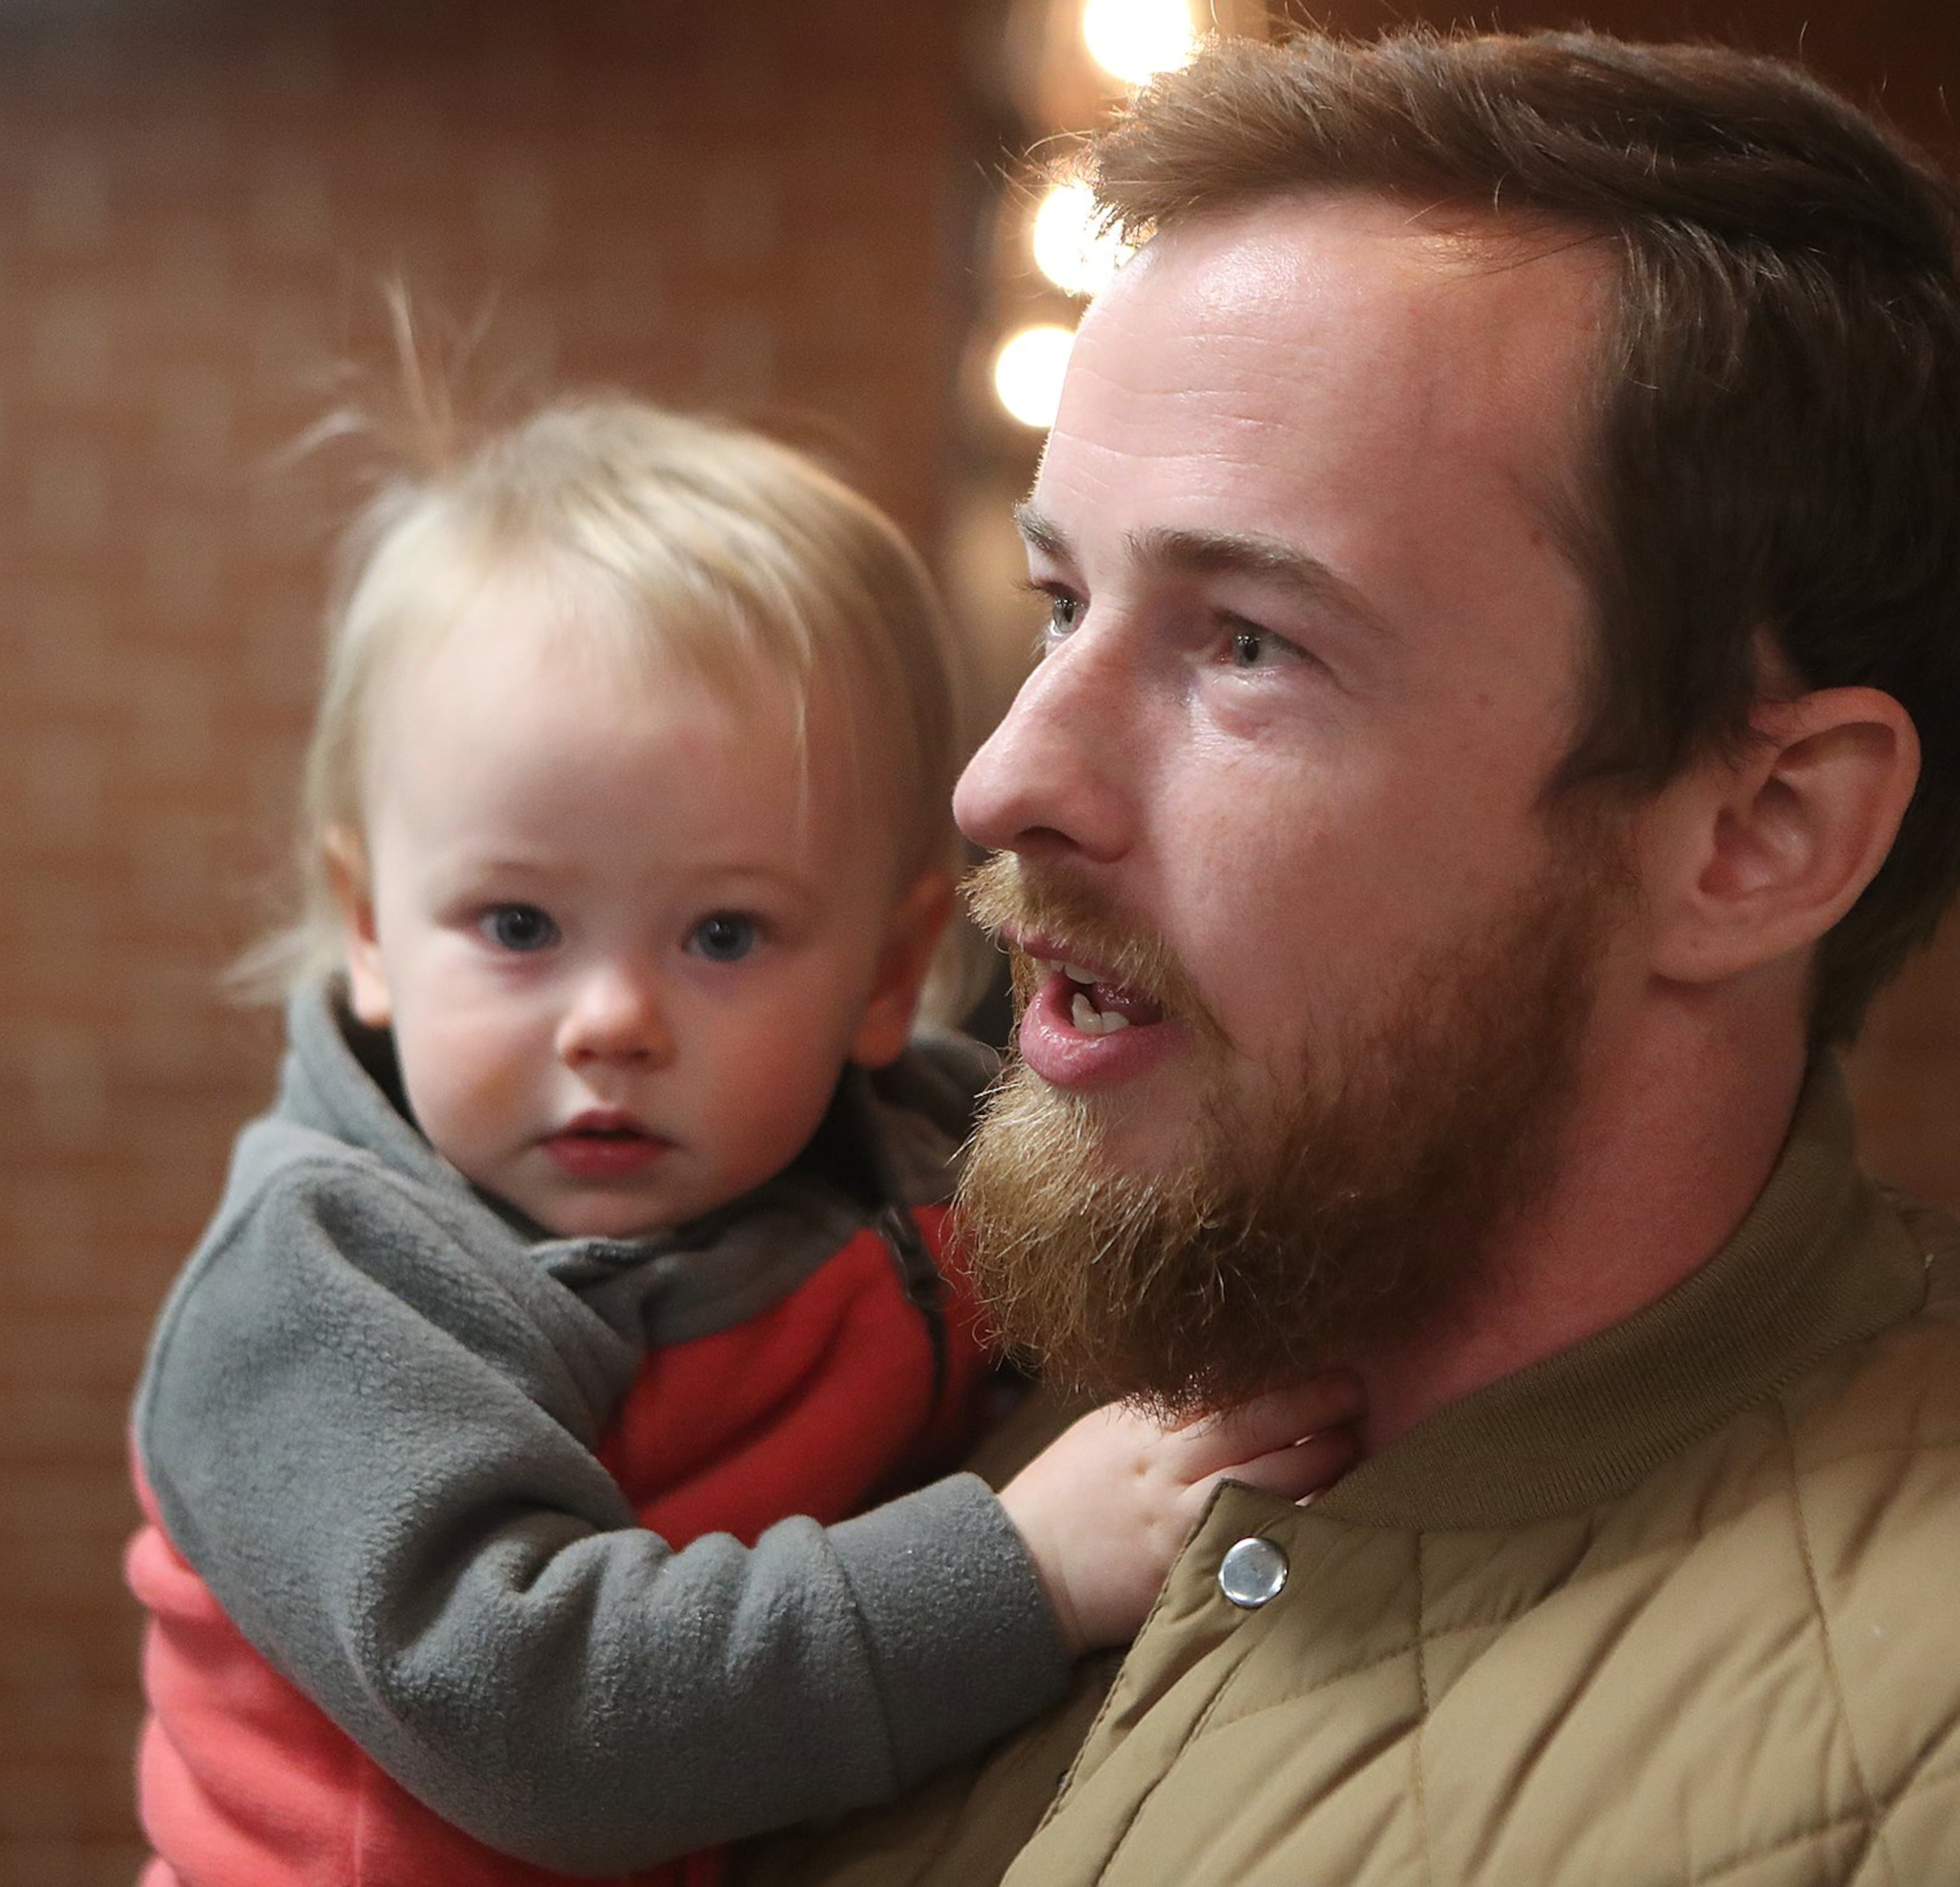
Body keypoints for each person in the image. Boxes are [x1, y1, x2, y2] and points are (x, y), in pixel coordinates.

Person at [743, 27, 1960, 1887]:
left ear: (1761, 832)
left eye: (1250, 643)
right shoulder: (897, 1414)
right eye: (1062, 602)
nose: (1005, 778)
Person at [121, 396, 1360, 1887]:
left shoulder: (931, 1153)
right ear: (373, 929)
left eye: (722, 934)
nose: (613, 1024)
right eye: (517, 925)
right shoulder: (325, 1284)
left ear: (889, 973)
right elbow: (533, 1716)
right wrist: (1025, 1567)